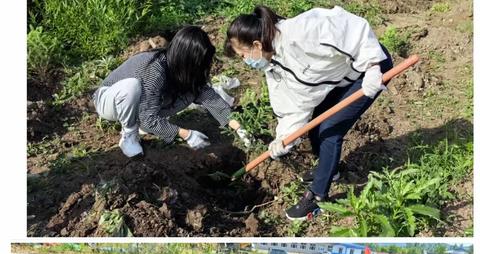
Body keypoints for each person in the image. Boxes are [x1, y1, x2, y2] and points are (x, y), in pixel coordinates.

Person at [225, 6, 393, 220]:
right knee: (316, 126)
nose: (245, 62)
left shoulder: (302, 31)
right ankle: (330, 170)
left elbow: (353, 29)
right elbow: (295, 105)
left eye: (243, 55)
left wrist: (372, 67)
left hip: (369, 69)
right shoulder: (273, 65)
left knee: (330, 130)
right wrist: (283, 137)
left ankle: (317, 198)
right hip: (343, 78)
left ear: (257, 44)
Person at [94, 26, 250, 158]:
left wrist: (238, 126)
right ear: (186, 60)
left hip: (139, 105)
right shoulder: (155, 70)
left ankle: (142, 122)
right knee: (132, 87)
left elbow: (209, 97)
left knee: (191, 91)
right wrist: (186, 134)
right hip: (109, 101)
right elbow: (148, 119)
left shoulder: (182, 71)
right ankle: (129, 135)